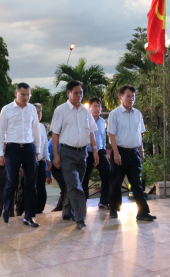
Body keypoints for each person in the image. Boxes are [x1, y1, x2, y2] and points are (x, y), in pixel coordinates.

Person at [51, 80, 99, 229]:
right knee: (75, 186)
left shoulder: (85, 111)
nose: (79, 95)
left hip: (82, 153)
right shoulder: (61, 110)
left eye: (81, 93)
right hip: (67, 153)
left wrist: (95, 150)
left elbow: (91, 132)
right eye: (76, 92)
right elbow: (55, 134)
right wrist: (56, 155)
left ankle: (67, 211)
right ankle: (80, 218)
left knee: (74, 186)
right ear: (69, 93)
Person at [0, 83, 41, 227]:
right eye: (23, 95)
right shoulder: (7, 109)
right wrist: (0, 154)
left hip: (28, 148)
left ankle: (29, 216)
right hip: (12, 148)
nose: (26, 98)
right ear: (16, 94)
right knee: (12, 182)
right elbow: (0, 131)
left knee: (30, 183)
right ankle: (7, 209)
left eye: (28, 95)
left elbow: (36, 130)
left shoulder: (32, 109)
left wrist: (38, 149)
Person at [107, 85, 154, 221]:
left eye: (133, 96)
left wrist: (141, 150)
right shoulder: (114, 114)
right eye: (128, 96)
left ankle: (142, 212)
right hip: (120, 152)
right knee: (116, 182)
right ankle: (114, 209)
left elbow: (139, 134)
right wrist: (115, 153)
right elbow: (111, 134)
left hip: (134, 153)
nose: (131, 99)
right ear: (120, 97)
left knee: (136, 183)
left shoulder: (138, 114)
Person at [82, 97, 111, 209]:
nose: (97, 108)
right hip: (87, 152)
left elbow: (103, 137)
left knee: (107, 174)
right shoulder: (85, 120)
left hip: (100, 152)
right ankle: (83, 202)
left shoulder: (102, 121)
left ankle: (104, 201)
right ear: (89, 108)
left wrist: (103, 150)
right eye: (94, 106)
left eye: (99, 106)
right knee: (84, 178)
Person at [33, 103, 51, 214]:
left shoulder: (42, 127)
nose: (38, 114)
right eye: (35, 112)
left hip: (40, 162)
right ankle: (24, 210)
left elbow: (45, 145)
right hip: (29, 162)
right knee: (29, 187)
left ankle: (39, 209)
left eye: (39, 112)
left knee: (41, 186)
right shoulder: (27, 127)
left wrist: (48, 159)